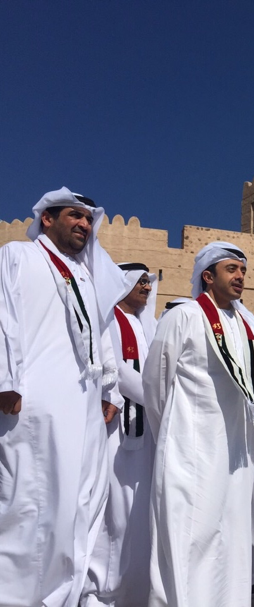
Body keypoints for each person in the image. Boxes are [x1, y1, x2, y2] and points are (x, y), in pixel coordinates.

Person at [0, 187, 127, 606]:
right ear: (47, 219)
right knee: (31, 505)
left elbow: (101, 334)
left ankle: (65, 597)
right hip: (35, 401)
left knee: (82, 503)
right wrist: (5, 380)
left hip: (85, 405)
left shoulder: (86, 276)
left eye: (89, 218)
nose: (84, 224)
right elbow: (3, 317)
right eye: (75, 215)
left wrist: (109, 388)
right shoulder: (18, 256)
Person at [143, 241, 254, 607]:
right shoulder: (185, 316)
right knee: (191, 534)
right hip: (190, 447)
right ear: (208, 276)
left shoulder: (246, 326)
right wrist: (172, 436)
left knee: (232, 538)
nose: (240, 277)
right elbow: (156, 382)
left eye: (243, 270)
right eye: (231, 269)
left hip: (236, 451)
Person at [83, 263, 158, 606]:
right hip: (116, 430)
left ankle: (133, 591)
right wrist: (161, 398)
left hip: (146, 433)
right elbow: (120, 373)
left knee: (138, 513)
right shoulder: (110, 319)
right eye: (140, 281)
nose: (146, 287)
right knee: (115, 510)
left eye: (148, 282)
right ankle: (101, 591)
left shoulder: (144, 325)